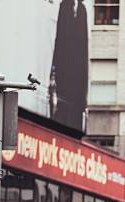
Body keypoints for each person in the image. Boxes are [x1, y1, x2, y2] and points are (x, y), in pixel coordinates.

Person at [49, 0, 89, 131]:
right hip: (64, 77)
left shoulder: (82, 10)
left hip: (77, 84)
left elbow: (84, 49)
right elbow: (59, 41)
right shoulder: (65, 6)